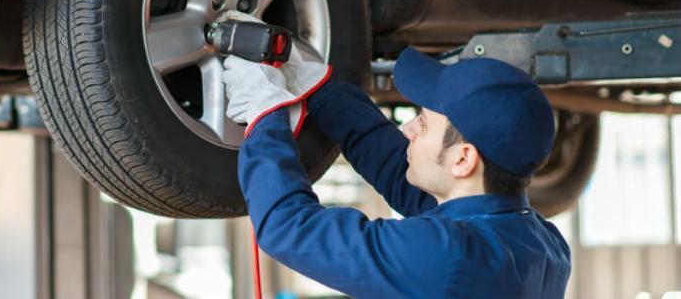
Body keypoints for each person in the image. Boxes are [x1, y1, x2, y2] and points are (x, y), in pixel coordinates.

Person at [221, 24, 571, 298]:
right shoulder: (541, 243)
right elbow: (396, 171)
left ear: (463, 159)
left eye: (424, 120)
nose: (407, 128)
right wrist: (319, 87)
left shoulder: (448, 257)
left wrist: (264, 114)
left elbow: (289, 228)